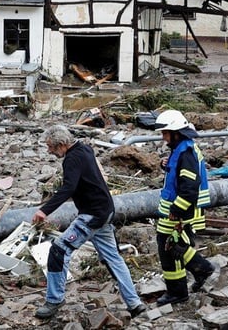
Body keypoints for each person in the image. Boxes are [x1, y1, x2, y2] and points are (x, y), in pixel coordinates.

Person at [31, 125, 144, 319]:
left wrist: (44, 210)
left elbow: (68, 188)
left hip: (91, 216)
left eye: (50, 147)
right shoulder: (84, 148)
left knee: (58, 251)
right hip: (106, 212)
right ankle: (134, 304)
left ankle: (54, 300)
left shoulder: (72, 159)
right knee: (113, 258)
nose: (49, 151)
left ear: (62, 145)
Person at [153, 109, 217, 306]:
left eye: (165, 133)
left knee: (170, 247)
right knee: (173, 246)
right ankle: (188, 281)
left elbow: (189, 188)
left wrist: (177, 211)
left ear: (176, 132)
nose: (163, 137)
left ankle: (194, 277)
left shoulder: (185, 153)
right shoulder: (182, 148)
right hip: (179, 210)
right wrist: (167, 165)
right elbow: (179, 174)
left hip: (180, 211)